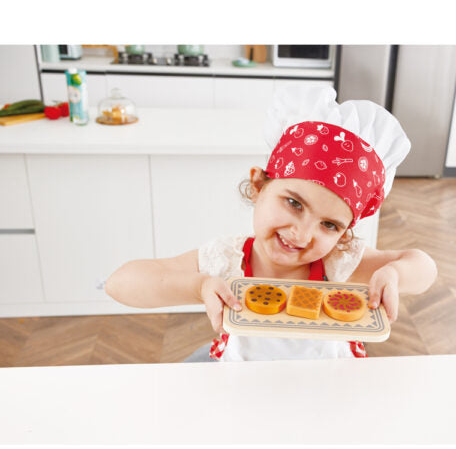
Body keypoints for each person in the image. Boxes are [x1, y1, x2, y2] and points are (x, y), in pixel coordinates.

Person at [105, 86, 437, 362]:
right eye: (294, 203)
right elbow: (119, 284)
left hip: (324, 397)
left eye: (330, 225)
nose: (302, 234)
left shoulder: (340, 265)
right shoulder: (226, 259)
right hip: (243, 394)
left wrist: (394, 274)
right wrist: (198, 286)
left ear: (344, 233)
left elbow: (423, 267)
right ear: (259, 186)